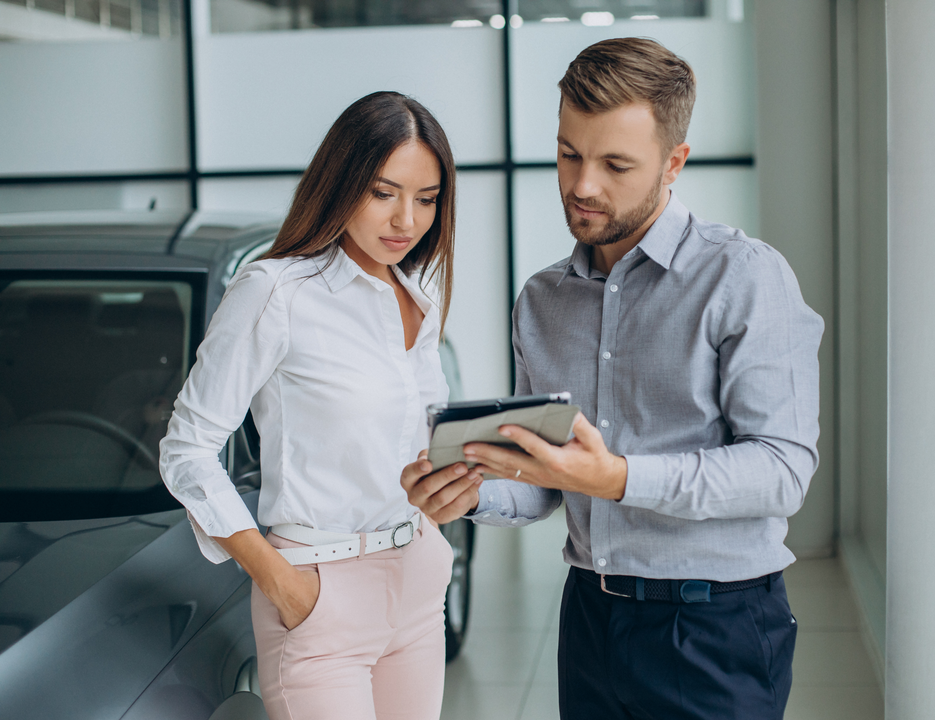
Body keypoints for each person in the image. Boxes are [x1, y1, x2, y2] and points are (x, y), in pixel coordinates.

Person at [402, 38, 824, 720]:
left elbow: (782, 470)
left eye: (615, 164)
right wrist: (466, 495)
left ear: (673, 164)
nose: (582, 184)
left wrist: (620, 478)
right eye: (569, 153)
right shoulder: (543, 302)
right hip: (590, 617)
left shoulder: (745, 278)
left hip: (712, 625)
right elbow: (541, 488)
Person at [160, 91, 476, 720]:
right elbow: (187, 450)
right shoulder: (275, 291)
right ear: (341, 183)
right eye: (384, 192)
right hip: (318, 590)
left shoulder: (418, 293)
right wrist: (281, 581)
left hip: (416, 580)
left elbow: (421, 440)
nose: (406, 220)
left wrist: (455, 493)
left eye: (426, 198)